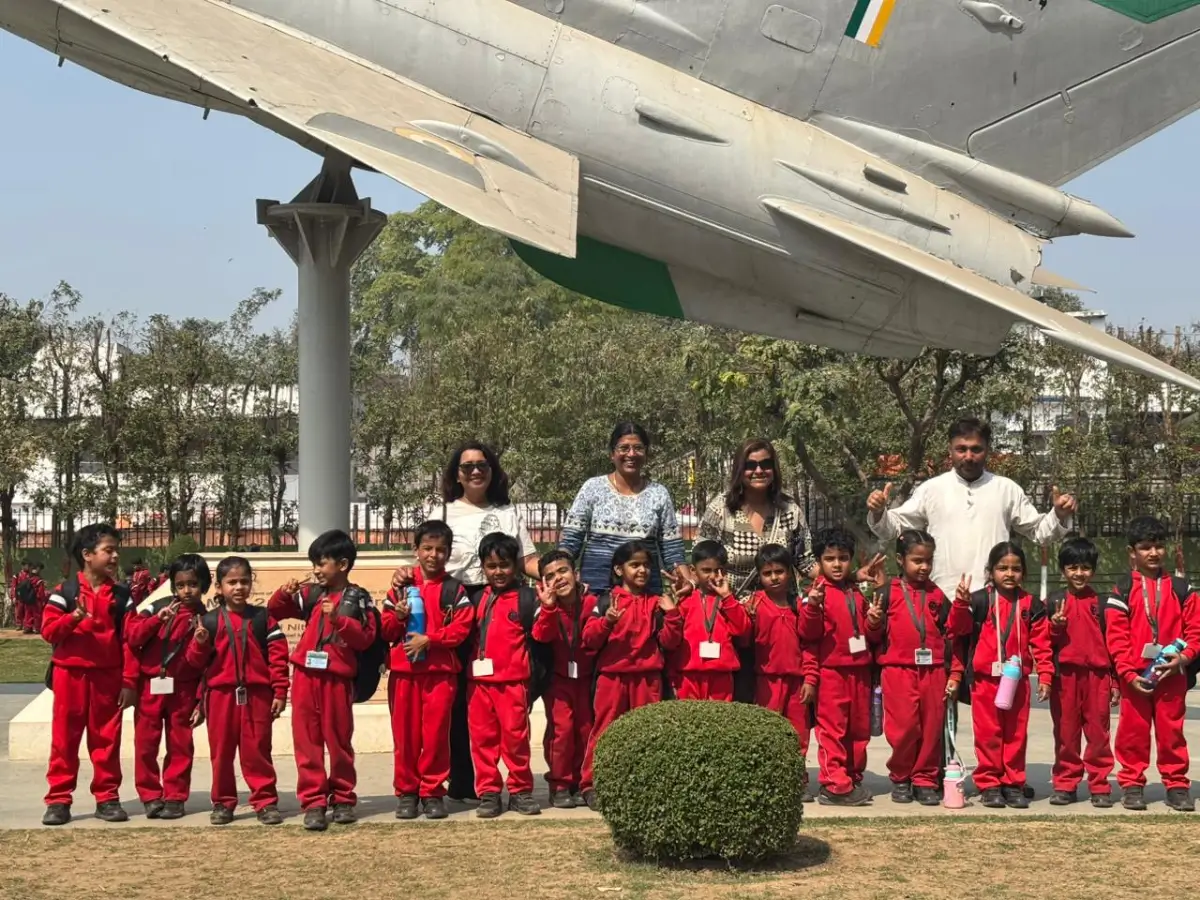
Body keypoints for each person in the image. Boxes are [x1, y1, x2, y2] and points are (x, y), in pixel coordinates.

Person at [431, 441, 539, 803]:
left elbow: (526, 560)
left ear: (492, 470)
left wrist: (557, 572)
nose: (475, 471)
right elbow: (430, 558)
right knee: (460, 698)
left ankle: (514, 783)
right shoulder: (442, 512)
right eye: (467, 467)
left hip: (504, 602)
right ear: (456, 474)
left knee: (503, 701)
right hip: (458, 604)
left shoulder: (508, 513)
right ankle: (465, 780)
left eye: (482, 465)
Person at [866, 416, 1077, 599]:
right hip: (943, 598)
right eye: (961, 449)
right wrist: (878, 512)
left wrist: (1058, 514)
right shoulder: (931, 489)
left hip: (993, 601)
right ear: (950, 451)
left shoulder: (1006, 489)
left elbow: (1039, 532)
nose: (968, 456)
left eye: (976, 449)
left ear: (987, 450)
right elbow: (893, 528)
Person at [268, 529, 377, 831]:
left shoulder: (357, 597)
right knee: (307, 742)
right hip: (305, 675)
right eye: (314, 563)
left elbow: (366, 639)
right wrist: (284, 593)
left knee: (338, 741)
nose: (316, 570)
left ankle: (343, 798)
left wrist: (338, 620)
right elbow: (276, 610)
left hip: (336, 679)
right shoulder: (312, 594)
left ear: (342, 565)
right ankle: (314, 802)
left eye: (322, 563)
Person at [40, 523, 136, 826]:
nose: (115, 557)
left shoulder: (122, 596)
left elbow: (129, 641)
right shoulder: (64, 593)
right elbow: (48, 631)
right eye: (109, 550)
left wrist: (129, 682)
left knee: (107, 739)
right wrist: (73, 617)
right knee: (64, 739)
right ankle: (58, 800)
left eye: (116, 551)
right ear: (87, 554)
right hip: (69, 676)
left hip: (107, 678)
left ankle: (107, 798)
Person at [1104, 516, 1200, 812]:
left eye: (1158, 546)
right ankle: (1132, 784)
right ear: (1132, 552)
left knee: (1172, 732)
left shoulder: (1182, 588)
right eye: (1145, 547)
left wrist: (1184, 657)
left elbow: (1195, 631)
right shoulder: (1122, 589)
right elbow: (1116, 638)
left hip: (1172, 675)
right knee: (1133, 732)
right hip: (1136, 678)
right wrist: (1127, 673)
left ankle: (1176, 784)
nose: (1153, 553)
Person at [948, 541, 1053, 810]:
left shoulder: (1031, 604)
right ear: (990, 571)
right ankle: (990, 783)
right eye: (1002, 568)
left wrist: (1045, 675)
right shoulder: (979, 600)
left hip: (1017, 681)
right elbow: (957, 630)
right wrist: (960, 604)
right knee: (988, 734)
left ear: (1023, 572)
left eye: (1015, 569)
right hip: (986, 680)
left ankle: (1013, 783)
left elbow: (1042, 643)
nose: (1009, 574)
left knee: (1016, 734)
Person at [381, 519, 474, 821]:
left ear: (449, 552)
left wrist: (430, 639)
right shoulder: (401, 587)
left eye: (440, 550)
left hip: (439, 674)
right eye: (427, 548)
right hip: (404, 674)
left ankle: (432, 792)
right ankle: (407, 793)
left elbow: (462, 629)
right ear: (416, 550)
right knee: (405, 738)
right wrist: (397, 617)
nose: (433, 555)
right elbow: (385, 630)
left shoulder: (454, 589)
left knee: (435, 737)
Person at [580, 539, 682, 809]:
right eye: (634, 565)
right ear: (618, 569)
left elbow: (670, 643)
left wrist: (673, 615)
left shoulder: (657, 603)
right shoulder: (605, 601)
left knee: (648, 734)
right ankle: (592, 784)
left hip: (648, 680)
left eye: (646, 565)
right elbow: (589, 639)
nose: (642, 570)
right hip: (612, 679)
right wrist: (607, 621)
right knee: (604, 731)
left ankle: (646, 786)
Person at [186, 556, 288, 826]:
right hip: (220, 696)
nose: (239, 587)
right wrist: (199, 644)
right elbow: (195, 665)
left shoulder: (263, 618)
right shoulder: (208, 621)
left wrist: (280, 691)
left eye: (244, 581)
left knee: (257, 750)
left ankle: (265, 801)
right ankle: (223, 802)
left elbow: (278, 657)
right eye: (232, 582)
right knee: (221, 753)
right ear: (219, 587)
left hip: (257, 695)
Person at [874, 530, 962, 806]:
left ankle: (925, 778)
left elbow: (952, 635)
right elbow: (873, 637)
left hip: (933, 671)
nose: (924, 567)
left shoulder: (938, 595)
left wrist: (954, 672)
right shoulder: (886, 593)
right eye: (917, 561)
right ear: (900, 560)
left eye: (928, 561)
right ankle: (901, 777)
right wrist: (873, 623)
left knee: (931, 727)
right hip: (898, 670)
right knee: (904, 728)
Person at [798, 526, 884, 807]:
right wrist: (813, 607)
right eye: (830, 559)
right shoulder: (815, 594)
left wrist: (873, 622)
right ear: (819, 562)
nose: (837, 564)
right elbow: (808, 634)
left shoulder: (855, 592)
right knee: (832, 730)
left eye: (843, 558)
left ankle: (851, 777)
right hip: (831, 673)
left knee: (858, 730)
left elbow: (869, 636)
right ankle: (834, 784)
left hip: (859, 672)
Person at [123, 553, 211, 820]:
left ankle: (175, 796)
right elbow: (132, 637)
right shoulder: (156, 607)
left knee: (180, 744)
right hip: (150, 686)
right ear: (173, 585)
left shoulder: (206, 619)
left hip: (183, 689)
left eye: (193, 584)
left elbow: (204, 665)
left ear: (204, 585)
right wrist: (156, 620)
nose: (187, 591)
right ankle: (150, 795)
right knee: (145, 744)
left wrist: (201, 642)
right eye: (180, 585)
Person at [559, 422, 688, 595]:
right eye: (624, 448)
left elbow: (673, 551)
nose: (631, 454)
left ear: (646, 453)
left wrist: (686, 581)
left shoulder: (659, 494)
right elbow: (570, 542)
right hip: (596, 596)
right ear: (612, 454)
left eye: (638, 448)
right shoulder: (592, 488)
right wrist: (558, 570)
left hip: (645, 600)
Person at [467, 532, 541, 818]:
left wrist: (547, 607)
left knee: (516, 740)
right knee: (482, 741)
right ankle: (488, 792)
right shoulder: (475, 598)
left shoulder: (526, 598)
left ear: (515, 566)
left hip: (513, 684)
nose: (498, 572)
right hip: (478, 686)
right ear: (483, 567)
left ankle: (520, 791)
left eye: (505, 565)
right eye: (491, 566)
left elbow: (541, 635)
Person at [1046, 536, 1116, 808]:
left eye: (1085, 568)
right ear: (1063, 570)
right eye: (1073, 567)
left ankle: (1099, 784)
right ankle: (1065, 783)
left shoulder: (1103, 602)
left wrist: (1115, 682)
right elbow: (1042, 643)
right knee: (1066, 734)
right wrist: (1055, 626)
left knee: (1098, 733)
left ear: (1093, 571)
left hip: (1097, 677)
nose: (1079, 573)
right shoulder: (1054, 601)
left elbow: (1113, 644)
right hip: (1064, 678)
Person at [697, 438, 816, 593]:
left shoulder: (790, 510)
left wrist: (841, 573)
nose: (759, 471)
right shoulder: (720, 509)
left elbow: (805, 561)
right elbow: (702, 560)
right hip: (733, 603)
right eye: (750, 465)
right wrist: (690, 583)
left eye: (766, 464)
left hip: (781, 604)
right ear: (739, 470)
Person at [531, 549, 599, 809]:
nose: (558, 578)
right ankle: (559, 784)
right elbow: (541, 635)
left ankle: (584, 784)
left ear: (576, 573)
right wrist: (548, 608)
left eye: (563, 571)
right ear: (543, 583)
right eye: (550, 576)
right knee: (561, 731)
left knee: (586, 731)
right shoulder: (544, 606)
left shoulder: (593, 602)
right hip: (558, 681)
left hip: (586, 678)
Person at [742, 543, 818, 765]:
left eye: (779, 571)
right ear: (759, 576)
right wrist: (749, 620)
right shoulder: (753, 604)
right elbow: (744, 641)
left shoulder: (799, 606)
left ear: (790, 573)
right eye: (767, 573)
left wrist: (810, 678)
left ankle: (797, 774)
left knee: (798, 732)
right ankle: (771, 774)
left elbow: (809, 645)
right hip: (766, 682)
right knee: (767, 731)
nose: (774, 577)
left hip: (797, 683)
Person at [667, 541, 750, 701]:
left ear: (724, 572)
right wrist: (672, 675)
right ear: (693, 571)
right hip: (689, 674)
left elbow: (742, 630)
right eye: (706, 570)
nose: (712, 576)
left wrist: (727, 597)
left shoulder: (729, 601)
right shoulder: (685, 600)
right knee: (689, 716)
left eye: (718, 571)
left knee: (719, 716)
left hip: (721, 675)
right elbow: (674, 641)